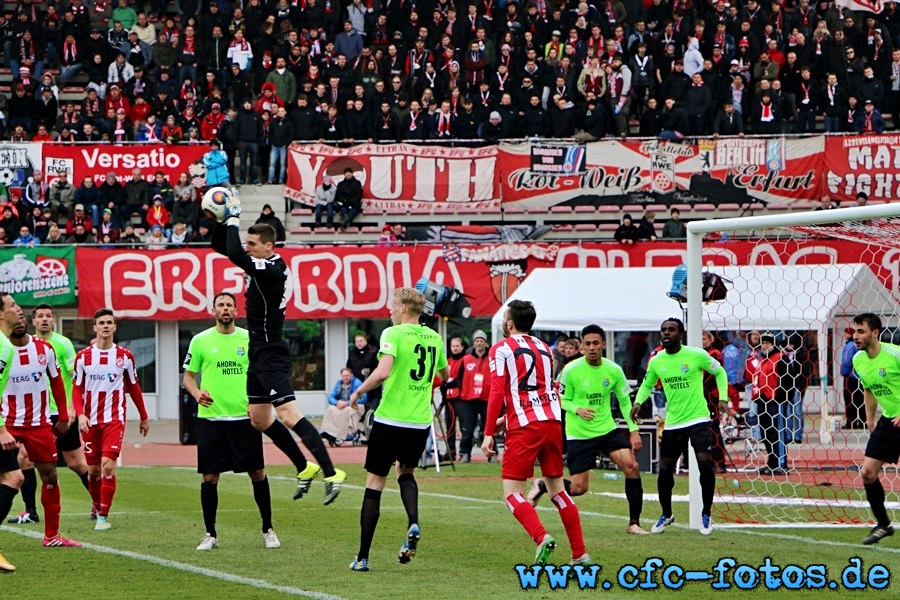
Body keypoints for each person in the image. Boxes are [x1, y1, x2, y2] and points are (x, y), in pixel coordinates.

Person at [211, 192, 346, 503]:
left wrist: (232, 217)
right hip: (257, 352)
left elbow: (233, 253)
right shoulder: (262, 262)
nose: (248, 248)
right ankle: (304, 467)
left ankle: (331, 471)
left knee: (288, 414)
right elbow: (224, 246)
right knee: (259, 418)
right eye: (248, 243)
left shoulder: (273, 269)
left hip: (272, 352)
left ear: (269, 246)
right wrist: (221, 221)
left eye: (253, 244)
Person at [346, 287, 449, 572]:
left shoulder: (393, 334)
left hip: (390, 418)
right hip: (418, 422)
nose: (389, 310)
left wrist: (357, 394)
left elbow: (382, 372)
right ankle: (413, 521)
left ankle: (363, 557)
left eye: (392, 305)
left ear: (404, 308)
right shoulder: (434, 337)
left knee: (375, 483)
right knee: (406, 473)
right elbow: (445, 374)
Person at [481, 299, 589, 566]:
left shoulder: (501, 348)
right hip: (552, 423)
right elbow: (541, 390)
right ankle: (579, 553)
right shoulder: (543, 348)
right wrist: (505, 419)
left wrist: (488, 432)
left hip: (525, 428)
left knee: (512, 494)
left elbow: (497, 390)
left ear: (509, 323)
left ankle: (541, 537)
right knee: (558, 491)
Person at [529, 324, 649, 535]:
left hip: (607, 429)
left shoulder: (613, 370)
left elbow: (624, 401)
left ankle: (634, 523)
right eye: (587, 344)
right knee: (578, 488)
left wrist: (633, 430)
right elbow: (560, 399)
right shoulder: (571, 370)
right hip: (580, 434)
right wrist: (578, 409)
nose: (592, 347)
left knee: (632, 467)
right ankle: (543, 485)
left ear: (603, 344)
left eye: (596, 343)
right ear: (582, 347)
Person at [183, 292, 280, 551]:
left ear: (236, 311)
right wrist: (196, 393)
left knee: (257, 473)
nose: (225, 309)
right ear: (213, 310)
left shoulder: (249, 339)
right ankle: (210, 534)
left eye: (229, 305)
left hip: (243, 419)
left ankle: (268, 529)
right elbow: (189, 378)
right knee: (209, 477)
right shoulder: (200, 341)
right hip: (211, 420)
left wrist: (258, 402)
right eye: (220, 305)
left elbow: (263, 374)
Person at [630, 317, 727, 536]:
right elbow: (647, 384)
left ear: (680, 334)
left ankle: (705, 515)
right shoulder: (657, 361)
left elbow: (719, 372)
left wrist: (723, 399)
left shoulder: (696, 355)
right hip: (674, 422)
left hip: (699, 419)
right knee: (664, 469)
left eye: (671, 330)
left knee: (704, 464)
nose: (666, 333)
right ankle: (666, 514)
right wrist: (637, 402)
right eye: (663, 330)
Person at [1, 296, 81, 547]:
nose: (20, 317)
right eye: (16, 311)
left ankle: (52, 535)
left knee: (50, 475)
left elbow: (57, 382)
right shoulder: (4, 349)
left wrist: (64, 417)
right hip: (8, 422)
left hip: (38, 422)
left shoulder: (44, 349)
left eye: (23, 314)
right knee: (12, 476)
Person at [73, 308, 150, 531]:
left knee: (108, 467)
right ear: (94, 327)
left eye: (110, 322)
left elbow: (134, 387)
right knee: (94, 471)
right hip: (89, 421)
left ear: (115, 327)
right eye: (102, 323)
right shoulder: (83, 357)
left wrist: (144, 417)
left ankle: (103, 517)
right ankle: (97, 506)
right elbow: (76, 389)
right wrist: (80, 414)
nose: (106, 326)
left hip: (114, 419)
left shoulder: (125, 356)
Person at [850, 313, 900, 545]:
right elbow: (869, 389)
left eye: (861, 331)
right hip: (888, 421)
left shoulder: (894, 354)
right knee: (867, 473)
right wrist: (870, 419)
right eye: (854, 331)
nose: (856, 336)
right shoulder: (858, 359)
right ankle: (883, 524)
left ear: (875, 333)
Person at [745, 332, 789, 475]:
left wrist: (782, 399)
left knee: (777, 433)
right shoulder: (762, 360)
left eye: (768, 342)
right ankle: (771, 463)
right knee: (767, 434)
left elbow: (789, 380)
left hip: (775, 401)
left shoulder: (781, 358)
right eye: (763, 343)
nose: (765, 345)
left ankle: (781, 464)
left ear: (773, 344)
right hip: (762, 401)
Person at [0, 295, 18, 570]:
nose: (18, 309)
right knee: (14, 476)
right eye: (13, 305)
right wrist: (2, 428)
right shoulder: (2, 346)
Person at [457, 330, 490, 463]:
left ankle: (491, 454)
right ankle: (464, 453)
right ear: (473, 343)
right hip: (469, 399)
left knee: (488, 429)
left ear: (485, 343)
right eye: (477, 341)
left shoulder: (491, 358)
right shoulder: (466, 359)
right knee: (467, 429)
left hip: (487, 398)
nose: (479, 343)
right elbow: (460, 378)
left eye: (481, 341)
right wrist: (462, 392)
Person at [321, 368, 366, 446]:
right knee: (330, 409)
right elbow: (330, 397)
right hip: (341, 405)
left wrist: (347, 403)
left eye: (347, 375)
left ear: (351, 375)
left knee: (347, 410)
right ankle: (328, 432)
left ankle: (343, 434)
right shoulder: (339, 384)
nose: (345, 377)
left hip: (355, 405)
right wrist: (337, 402)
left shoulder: (357, 383)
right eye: (343, 376)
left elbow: (364, 398)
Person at [841, 326, 865, 430]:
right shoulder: (858, 345)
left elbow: (846, 361)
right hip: (860, 377)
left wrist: (844, 373)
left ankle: (851, 422)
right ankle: (863, 422)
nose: (844, 335)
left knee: (850, 400)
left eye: (846, 333)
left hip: (850, 378)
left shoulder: (849, 346)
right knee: (861, 400)